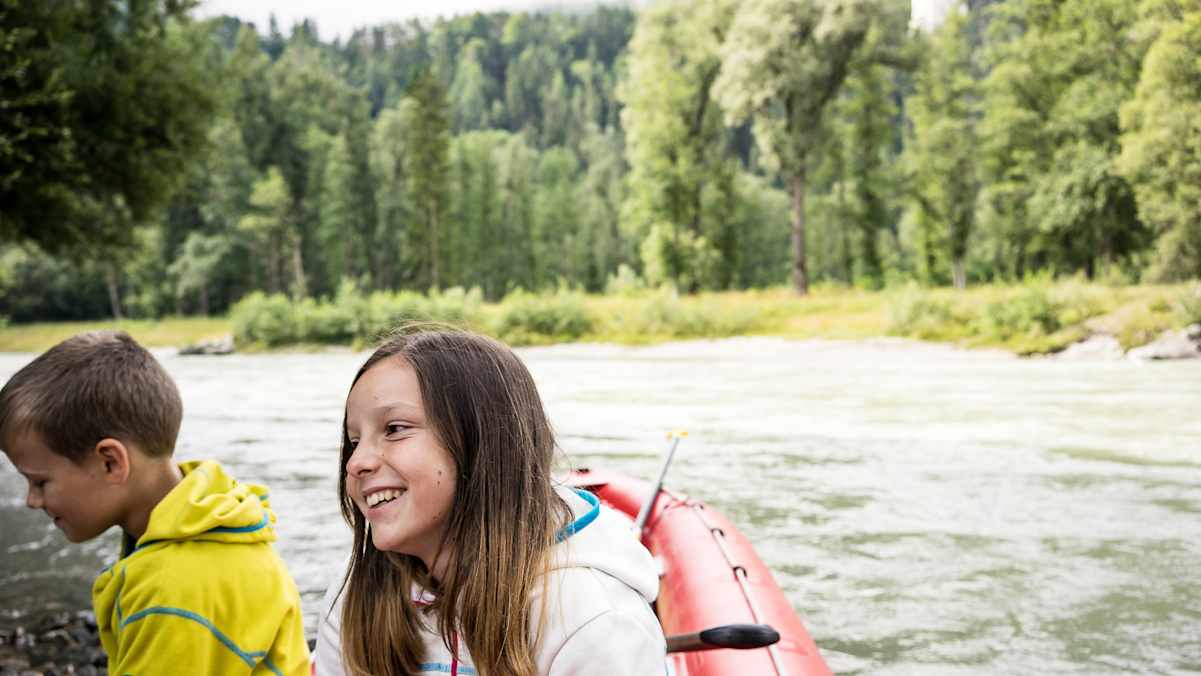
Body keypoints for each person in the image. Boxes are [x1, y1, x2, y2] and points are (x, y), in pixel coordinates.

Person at [314, 328, 665, 675]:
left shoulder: (593, 618)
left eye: (394, 429)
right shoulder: (353, 596)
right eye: (354, 440)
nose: (356, 462)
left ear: (484, 444)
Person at [0, 331, 309, 675]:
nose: (31, 500)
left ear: (110, 463)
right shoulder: (216, 522)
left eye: (39, 482)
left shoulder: (170, 592)